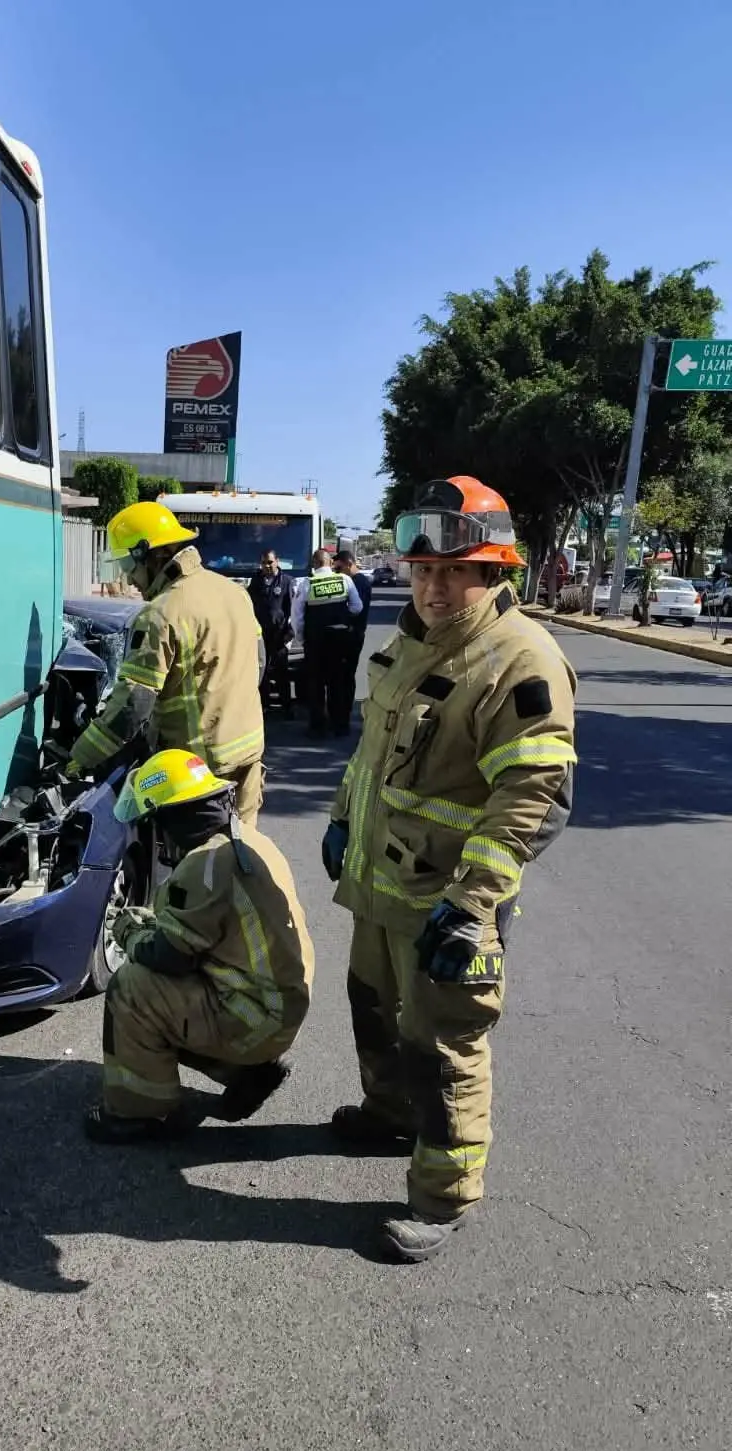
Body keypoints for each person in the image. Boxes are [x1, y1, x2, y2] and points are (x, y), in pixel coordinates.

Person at [322, 476, 577, 1262]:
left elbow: (533, 796)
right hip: (381, 886)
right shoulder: (411, 640)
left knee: (444, 1047)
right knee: (372, 1007)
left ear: (493, 572)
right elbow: (372, 752)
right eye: (424, 569)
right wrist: (339, 820)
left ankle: (442, 1196)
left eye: (455, 571)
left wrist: (472, 908)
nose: (434, 586)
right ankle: (387, 1113)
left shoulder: (519, 661)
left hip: (448, 906)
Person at [86, 749, 314, 1143]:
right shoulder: (248, 841)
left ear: (175, 816)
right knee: (176, 1001)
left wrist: (130, 933)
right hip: (275, 1005)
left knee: (133, 989)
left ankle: (140, 1113)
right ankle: (246, 1074)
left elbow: (169, 958)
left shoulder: (206, 866)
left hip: (253, 1015)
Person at [68, 503, 266, 824]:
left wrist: (81, 757)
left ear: (151, 554)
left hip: (199, 770)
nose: (128, 579)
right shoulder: (234, 592)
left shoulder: (162, 612)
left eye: (128, 564)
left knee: (201, 868)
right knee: (243, 856)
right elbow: (259, 662)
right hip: (248, 751)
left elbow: (132, 705)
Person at [291, 549, 362, 737]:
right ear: (330, 563)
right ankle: (339, 725)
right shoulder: (345, 580)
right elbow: (357, 607)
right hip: (339, 641)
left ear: (314, 564)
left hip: (315, 641)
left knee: (315, 684)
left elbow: (297, 616)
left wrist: (300, 637)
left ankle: (317, 727)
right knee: (337, 682)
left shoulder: (307, 584)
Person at [248, 550, 295, 719]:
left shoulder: (287, 581)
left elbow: (293, 610)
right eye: (264, 563)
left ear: (277, 561)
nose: (267, 566)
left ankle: (286, 707)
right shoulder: (256, 581)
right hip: (262, 635)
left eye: (270, 562)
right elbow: (250, 605)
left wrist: (289, 634)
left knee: (282, 673)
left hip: (280, 635)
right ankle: (264, 706)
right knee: (263, 672)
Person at [334, 547, 373, 685]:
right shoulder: (356, 581)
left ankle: (345, 706)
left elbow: (356, 610)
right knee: (343, 674)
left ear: (349, 564)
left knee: (346, 674)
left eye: (339, 569)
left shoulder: (358, 582)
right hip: (351, 633)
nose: (336, 572)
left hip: (353, 634)